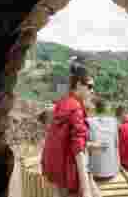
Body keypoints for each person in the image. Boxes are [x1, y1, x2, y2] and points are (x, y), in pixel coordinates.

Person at [41, 67, 102, 197]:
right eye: (90, 86)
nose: (92, 91)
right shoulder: (76, 108)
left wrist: (90, 145)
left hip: (54, 168)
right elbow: (78, 149)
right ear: (79, 85)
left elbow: (65, 139)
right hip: (67, 170)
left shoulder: (63, 102)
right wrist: (86, 189)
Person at [87, 99, 120, 180]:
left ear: (94, 109)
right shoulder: (114, 121)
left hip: (94, 172)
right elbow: (116, 144)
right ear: (106, 109)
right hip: (112, 171)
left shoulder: (89, 121)